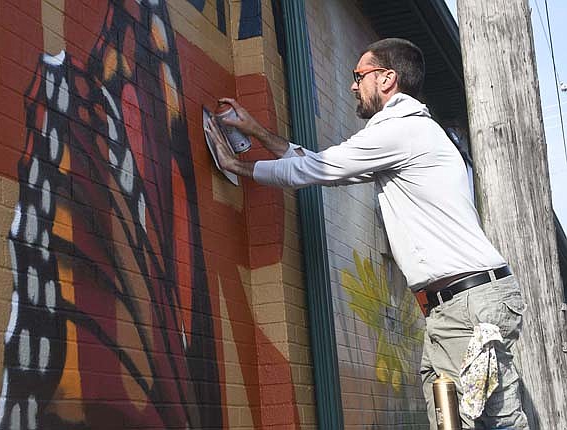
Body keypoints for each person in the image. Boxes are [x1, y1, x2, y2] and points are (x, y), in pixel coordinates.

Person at [205, 38, 529, 429]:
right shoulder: (408, 135)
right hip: (454, 306)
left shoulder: (401, 131)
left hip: (468, 304)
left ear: (387, 78)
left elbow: (319, 170)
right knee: (453, 416)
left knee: (487, 422)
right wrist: (256, 131)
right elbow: (321, 166)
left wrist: (239, 168)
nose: (352, 86)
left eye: (359, 76)